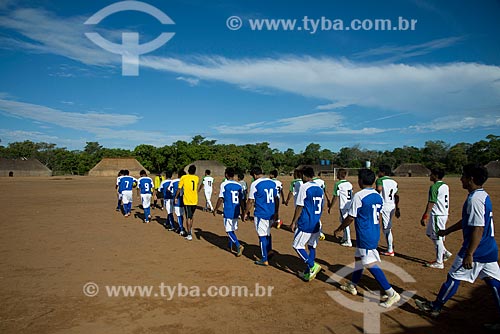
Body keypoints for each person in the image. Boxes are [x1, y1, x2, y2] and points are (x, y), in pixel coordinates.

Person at [416, 163, 500, 326]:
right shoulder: (482, 195)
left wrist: (469, 254)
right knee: (494, 281)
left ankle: (435, 307)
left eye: (463, 176)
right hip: (489, 248)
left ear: (471, 179)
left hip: (476, 249)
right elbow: (468, 221)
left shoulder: (475, 199)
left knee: (453, 277)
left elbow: (478, 228)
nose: (461, 179)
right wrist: (447, 231)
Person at [334, 168, 401, 308]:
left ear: (360, 180)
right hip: (373, 231)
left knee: (369, 263)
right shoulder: (378, 195)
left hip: (365, 234)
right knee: (359, 259)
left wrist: (339, 229)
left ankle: (391, 293)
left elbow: (351, 217)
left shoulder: (359, 196)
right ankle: (352, 285)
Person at [290, 166, 323, 282]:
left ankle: (312, 265)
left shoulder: (304, 187)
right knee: (311, 246)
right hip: (316, 222)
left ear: (304, 175)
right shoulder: (319, 188)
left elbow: (300, 206)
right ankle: (308, 272)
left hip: (306, 222)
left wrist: (294, 221)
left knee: (297, 246)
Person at [244, 166, 279, 266]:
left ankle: (264, 259)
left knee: (262, 235)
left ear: (254, 175)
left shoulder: (255, 184)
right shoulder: (272, 182)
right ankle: (269, 250)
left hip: (261, 213)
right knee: (267, 232)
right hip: (271, 213)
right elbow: (276, 198)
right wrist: (276, 212)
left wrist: (246, 212)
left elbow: (250, 200)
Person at [420, 168, 453, 269]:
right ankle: (445, 252)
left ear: (435, 175)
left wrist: (425, 215)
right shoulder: (445, 186)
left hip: (437, 215)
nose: (430, 176)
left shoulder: (434, 187)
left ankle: (439, 262)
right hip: (443, 214)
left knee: (437, 237)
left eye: (431, 174)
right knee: (429, 233)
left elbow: (431, 202)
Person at [213, 167, 244, 257]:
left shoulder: (224, 184)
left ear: (226, 175)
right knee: (232, 229)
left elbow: (221, 198)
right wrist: (243, 212)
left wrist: (215, 209)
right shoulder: (239, 185)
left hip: (228, 210)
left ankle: (238, 245)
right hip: (236, 210)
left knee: (228, 230)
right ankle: (229, 246)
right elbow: (242, 200)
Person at [376, 165, 400, 256]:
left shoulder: (380, 180)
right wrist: (397, 208)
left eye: (379, 172)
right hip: (392, 205)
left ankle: (390, 249)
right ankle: (389, 246)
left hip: (384, 206)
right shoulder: (394, 182)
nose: (378, 173)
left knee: (386, 228)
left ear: (383, 173)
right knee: (387, 226)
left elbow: (379, 189)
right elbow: (396, 196)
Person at [328, 169, 354, 247]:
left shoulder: (338, 184)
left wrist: (331, 207)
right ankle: (345, 237)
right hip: (349, 204)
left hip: (343, 206)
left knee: (345, 223)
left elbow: (335, 196)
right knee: (342, 220)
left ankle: (348, 240)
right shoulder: (349, 184)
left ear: (339, 175)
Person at [175, 165, 199, 241]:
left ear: (188, 171)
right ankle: (190, 229)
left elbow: (179, 188)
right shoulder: (196, 178)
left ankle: (189, 234)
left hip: (187, 200)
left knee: (188, 217)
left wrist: (176, 197)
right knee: (191, 216)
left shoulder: (184, 178)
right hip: (195, 200)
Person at [169, 170, 186, 236]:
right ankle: (180, 227)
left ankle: (181, 229)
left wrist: (173, 195)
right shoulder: (186, 181)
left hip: (177, 199)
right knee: (181, 214)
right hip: (184, 200)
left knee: (178, 215)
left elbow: (169, 189)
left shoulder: (174, 181)